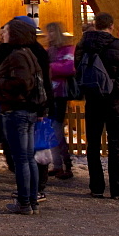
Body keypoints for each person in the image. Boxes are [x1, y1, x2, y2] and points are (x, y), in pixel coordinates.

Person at [75, 13, 119, 199]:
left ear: (95, 25)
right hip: (113, 97)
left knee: (93, 143)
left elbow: (77, 66)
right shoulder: (117, 45)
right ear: (111, 25)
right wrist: (116, 76)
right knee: (116, 144)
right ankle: (118, 188)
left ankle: (96, 186)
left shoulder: (83, 44)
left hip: (92, 97)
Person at [0, 17, 50, 215]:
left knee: (22, 159)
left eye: (6, 31)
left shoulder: (18, 56)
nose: (3, 34)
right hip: (29, 110)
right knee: (28, 158)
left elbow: (22, 83)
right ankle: (31, 200)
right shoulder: (29, 53)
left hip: (18, 111)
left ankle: (24, 201)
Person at [46, 21, 75, 180]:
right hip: (50, 93)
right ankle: (57, 164)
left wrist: (50, 68)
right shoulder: (50, 50)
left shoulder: (66, 49)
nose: (49, 35)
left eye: (52, 32)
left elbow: (69, 67)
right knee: (51, 130)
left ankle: (65, 164)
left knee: (56, 129)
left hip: (60, 93)